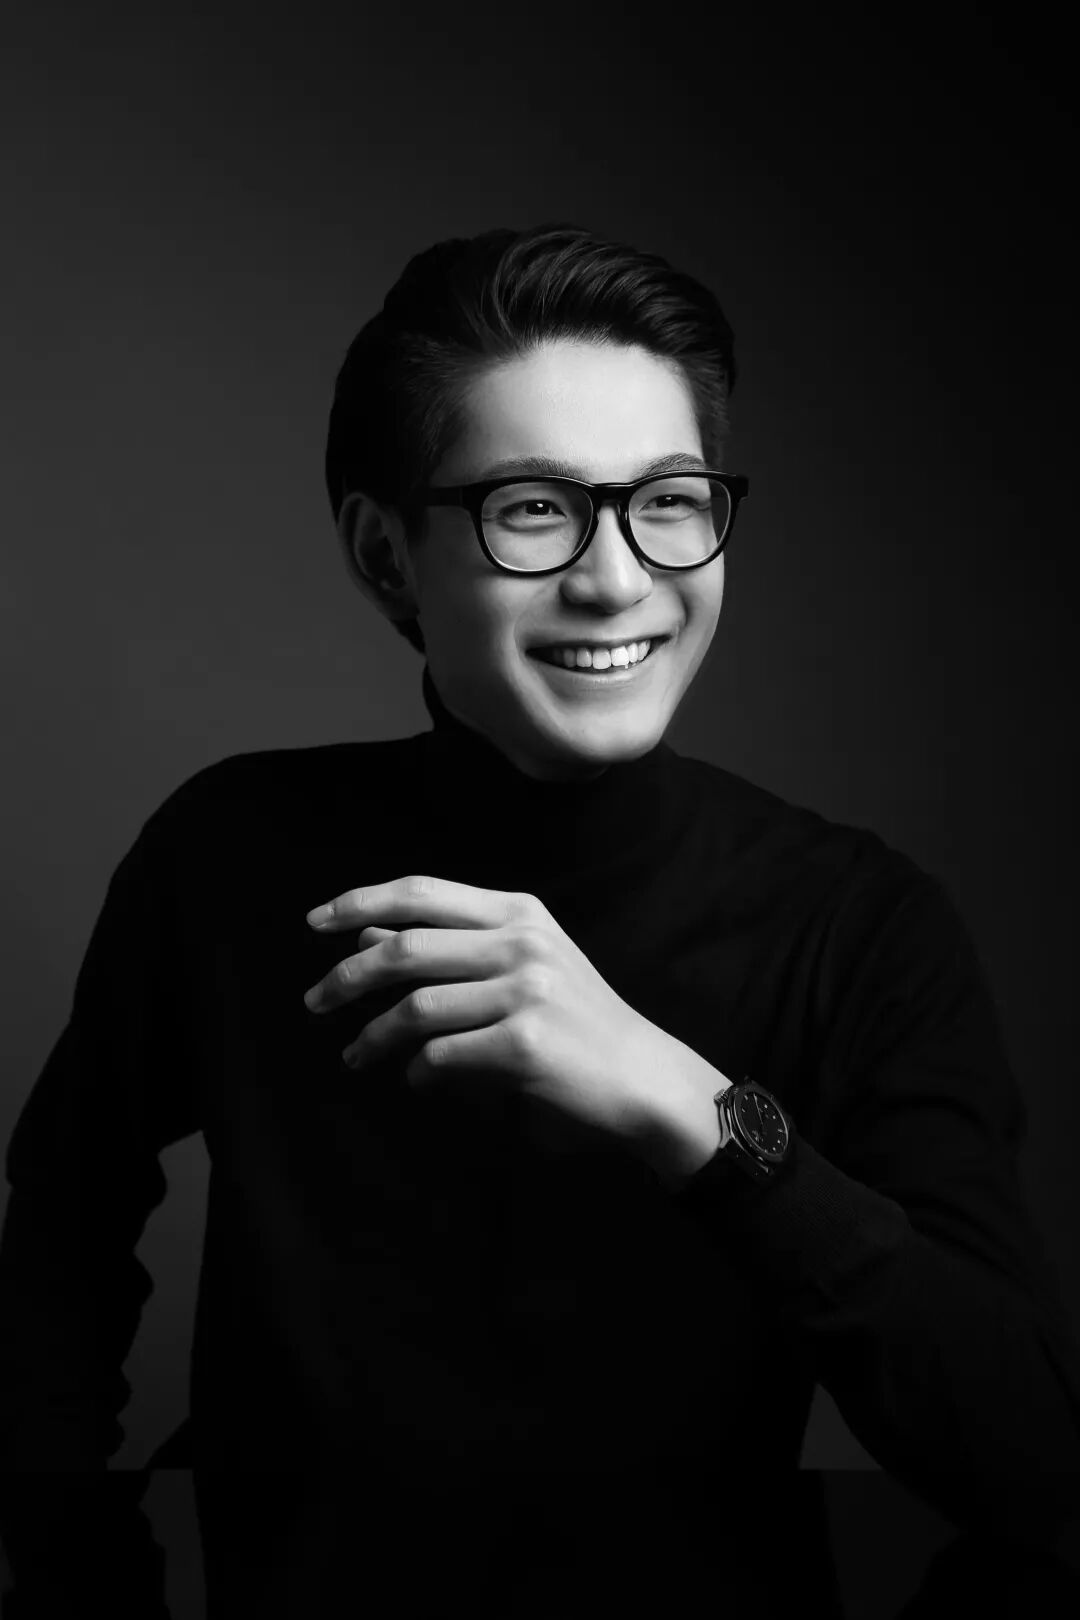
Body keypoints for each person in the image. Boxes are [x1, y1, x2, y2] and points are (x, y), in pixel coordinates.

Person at [2, 222, 1079, 1615]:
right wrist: (66, 1555)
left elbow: (1036, 1465)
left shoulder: (859, 924)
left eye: (670, 501)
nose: (618, 579)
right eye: (532, 509)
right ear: (385, 554)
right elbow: (65, 1223)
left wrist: (692, 1107)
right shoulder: (229, 853)